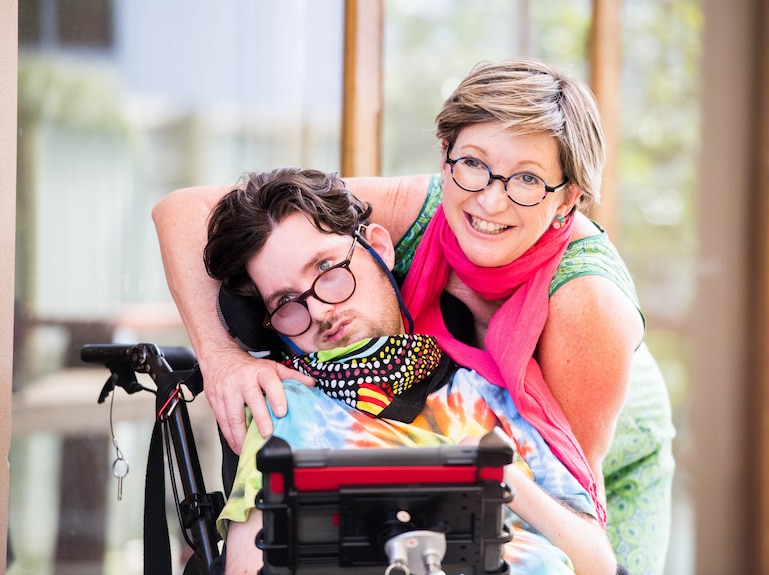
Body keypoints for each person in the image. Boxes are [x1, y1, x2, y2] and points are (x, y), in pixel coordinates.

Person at [152, 58, 674, 574]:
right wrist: (221, 357)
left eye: (528, 179)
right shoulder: (425, 206)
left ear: (569, 200)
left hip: (598, 435)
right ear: (446, 154)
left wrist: (506, 480)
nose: (490, 200)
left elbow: (576, 515)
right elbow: (182, 212)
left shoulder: (587, 303)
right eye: (472, 163)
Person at [204, 167, 618, 575]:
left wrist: (502, 477)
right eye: (286, 302)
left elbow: (599, 564)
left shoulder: (490, 393)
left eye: (327, 269)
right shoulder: (286, 408)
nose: (319, 311)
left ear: (378, 247)